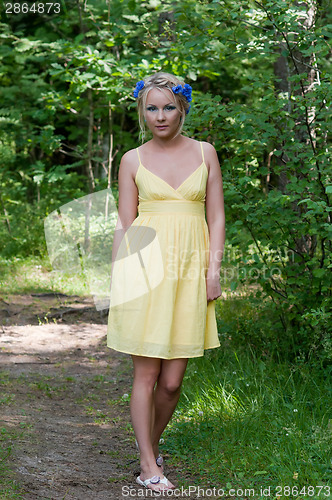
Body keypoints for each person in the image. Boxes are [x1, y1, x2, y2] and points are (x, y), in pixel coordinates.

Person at [107, 72, 225, 492]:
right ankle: (146, 465)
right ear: (143, 110)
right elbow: (124, 222)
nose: (160, 116)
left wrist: (213, 271)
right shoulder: (132, 160)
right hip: (146, 271)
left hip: (191, 272)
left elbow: (216, 216)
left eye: (169, 107)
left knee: (173, 381)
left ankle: (150, 447)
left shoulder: (205, 153)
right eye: (152, 107)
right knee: (145, 375)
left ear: (183, 109)